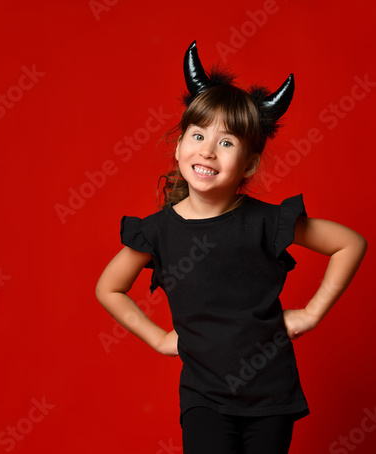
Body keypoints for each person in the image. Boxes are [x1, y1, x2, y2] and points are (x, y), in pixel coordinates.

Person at [95, 41, 367, 454]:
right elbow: (108, 288)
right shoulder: (158, 231)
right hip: (205, 397)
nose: (207, 149)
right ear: (179, 145)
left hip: (271, 395)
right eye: (199, 135)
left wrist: (312, 313)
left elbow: (350, 243)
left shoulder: (267, 221)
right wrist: (159, 339)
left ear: (250, 163)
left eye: (227, 142)